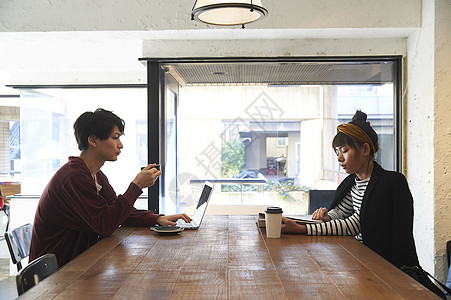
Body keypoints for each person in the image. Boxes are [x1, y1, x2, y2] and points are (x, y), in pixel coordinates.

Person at [29, 108, 191, 267]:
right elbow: (105, 225)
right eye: (115, 138)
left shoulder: (94, 174)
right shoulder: (74, 177)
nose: (120, 145)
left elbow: (118, 213)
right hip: (57, 274)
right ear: (93, 140)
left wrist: (156, 219)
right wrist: (136, 186)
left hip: (78, 262)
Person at [281, 110, 419, 268]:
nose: (339, 158)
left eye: (345, 151)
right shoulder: (352, 182)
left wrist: (301, 229)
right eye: (337, 152)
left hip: (385, 266)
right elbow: (341, 212)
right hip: (359, 257)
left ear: (365, 150)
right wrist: (328, 216)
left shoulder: (389, 183)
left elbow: (354, 224)